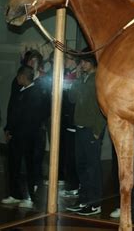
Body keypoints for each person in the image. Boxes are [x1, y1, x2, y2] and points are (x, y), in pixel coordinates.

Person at [1, 65, 49, 208]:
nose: (17, 79)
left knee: (28, 167)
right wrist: (9, 129)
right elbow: (13, 113)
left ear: (23, 76)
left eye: (18, 76)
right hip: (17, 136)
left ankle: (30, 197)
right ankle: (15, 194)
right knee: (14, 166)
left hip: (29, 137)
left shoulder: (36, 92)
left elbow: (32, 117)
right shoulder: (21, 91)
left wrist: (17, 130)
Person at [66, 48, 105, 216]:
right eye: (80, 62)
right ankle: (83, 200)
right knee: (81, 166)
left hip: (92, 129)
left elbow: (104, 106)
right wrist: (77, 78)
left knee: (92, 168)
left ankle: (94, 203)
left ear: (92, 62)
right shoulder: (82, 79)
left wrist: (97, 130)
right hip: (80, 127)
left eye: (83, 61)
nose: (81, 64)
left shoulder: (99, 79)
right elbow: (72, 98)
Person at [59, 54, 80, 197]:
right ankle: (68, 182)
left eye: (68, 59)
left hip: (73, 121)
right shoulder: (67, 75)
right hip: (66, 120)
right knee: (67, 154)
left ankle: (74, 185)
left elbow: (71, 100)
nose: (65, 61)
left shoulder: (76, 78)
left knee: (73, 156)